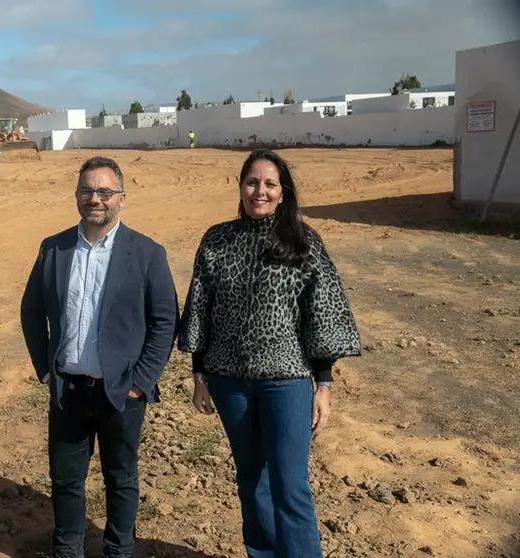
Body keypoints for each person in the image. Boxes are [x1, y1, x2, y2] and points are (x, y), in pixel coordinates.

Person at [176, 149, 362, 558]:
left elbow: (323, 313)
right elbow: (200, 307)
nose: (259, 191)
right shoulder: (217, 239)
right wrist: (199, 375)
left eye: (269, 184)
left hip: (287, 381)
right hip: (228, 381)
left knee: (290, 485)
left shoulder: (302, 240)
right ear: (241, 187)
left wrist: (324, 384)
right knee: (251, 481)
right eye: (252, 182)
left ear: (282, 191)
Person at [20, 156, 179, 558]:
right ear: (76, 196)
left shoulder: (146, 253)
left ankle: (117, 551)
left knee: (121, 479)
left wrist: (140, 382)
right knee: (65, 480)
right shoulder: (53, 249)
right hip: (69, 389)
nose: (96, 199)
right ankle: (68, 550)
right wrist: (45, 369)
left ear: (121, 197)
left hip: (120, 392)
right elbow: (31, 310)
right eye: (87, 190)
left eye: (105, 191)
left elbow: (165, 321)